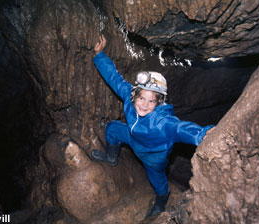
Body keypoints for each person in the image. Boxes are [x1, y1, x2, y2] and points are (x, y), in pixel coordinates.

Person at [91, 35, 215, 217]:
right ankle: (111, 157)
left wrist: (204, 134)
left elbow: (181, 128)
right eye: (141, 98)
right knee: (112, 128)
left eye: (151, 101)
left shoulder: (163, 123)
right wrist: (99, 55)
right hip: (132, 138)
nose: (144, 104)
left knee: (157, 180)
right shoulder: (130, 98)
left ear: (159, 103)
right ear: (135, 95)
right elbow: (115, 79)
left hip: (153, 156)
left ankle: (162, 199)